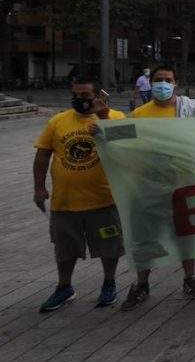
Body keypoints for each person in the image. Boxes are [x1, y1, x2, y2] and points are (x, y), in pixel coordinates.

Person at [120, 65, 195, 310]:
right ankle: (141, 284)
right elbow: (119, 138)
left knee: (184, 234)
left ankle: (190, 278)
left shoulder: (191, 111)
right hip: (147, 186)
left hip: (182, 184)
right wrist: (100, 130)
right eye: (158, 79)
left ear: (176, 83)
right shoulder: (139, 114)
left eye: (167, 80)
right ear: (150, 83)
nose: (162, 84)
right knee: (145, 237)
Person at [33, 78, 126, 312]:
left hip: (104, 200)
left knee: (109, 246)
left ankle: (109, 283)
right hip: (65, 202)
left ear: (98, 96)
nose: (80, 99)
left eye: (85, 95)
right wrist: (39, 187)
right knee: (64, 249)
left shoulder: (116, 118)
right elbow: (43, 155)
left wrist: (104, 121)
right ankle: (64, 287)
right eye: (76, 94)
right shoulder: (57, 121)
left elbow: (128, 147)